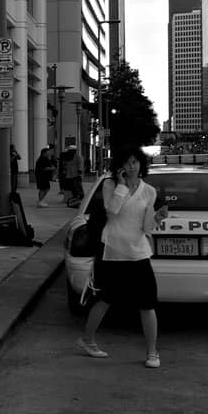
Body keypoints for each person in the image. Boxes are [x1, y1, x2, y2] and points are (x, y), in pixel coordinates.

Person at [76, 147, 168, 368]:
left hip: (139, 251)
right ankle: (87, 340)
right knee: (106, 299)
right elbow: (112, 211)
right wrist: (121, 186)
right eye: (127, 162)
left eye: (135, 162)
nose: (131, 166)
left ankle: (152, 352)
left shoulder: (149, 192)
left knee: (147, 303)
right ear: (120, 166)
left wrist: (158, 218)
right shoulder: (111, 185)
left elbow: (146, 227)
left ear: (142, 165)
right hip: (113, 250)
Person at [58, 139, 83, 206]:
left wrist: (80, 170)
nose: (71, 152)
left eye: (72, 150)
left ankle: (80, 196)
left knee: (78, 186)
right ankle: (75, 196)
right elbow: (65, 164)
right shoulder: (67, 156)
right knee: (72, 187)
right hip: (69, 175)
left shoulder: (78, 156)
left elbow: (80, 164)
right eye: (70, 150)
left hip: (76, 175)